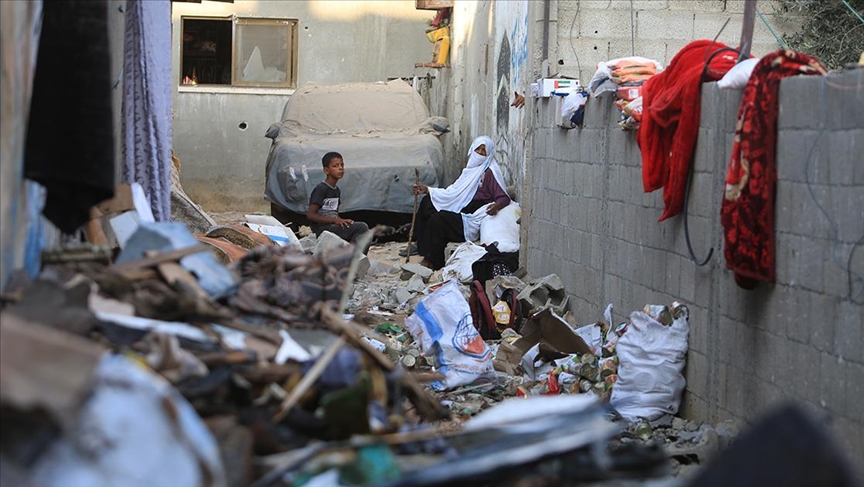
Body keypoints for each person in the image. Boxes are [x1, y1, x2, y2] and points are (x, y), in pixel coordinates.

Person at [412, 136, 510, 270]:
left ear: (489, 154)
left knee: (438, 220)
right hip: (461, 204)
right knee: (427, 203)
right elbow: (454, 191)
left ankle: (433, 261)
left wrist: (496, 206)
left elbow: (504, 197)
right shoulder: (470, 170)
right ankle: (422, 247)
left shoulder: (489, 172)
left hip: (471, 214)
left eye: (484, 150)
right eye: (478, 149)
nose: (480, 153)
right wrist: (428, 190)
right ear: (472, 149)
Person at [307, 151, 371, 250]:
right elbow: (311, 215)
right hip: (323, 229)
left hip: (332, 226)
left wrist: (342, 221)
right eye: (335, 166)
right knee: (362, 228)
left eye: (342, 165)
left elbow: (333, 213)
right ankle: (355, 260)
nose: (340, 168)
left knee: (356, 228)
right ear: (326, 170)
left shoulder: (336, 190)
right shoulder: (321, 189)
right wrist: (336, 221)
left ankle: (351, 258)